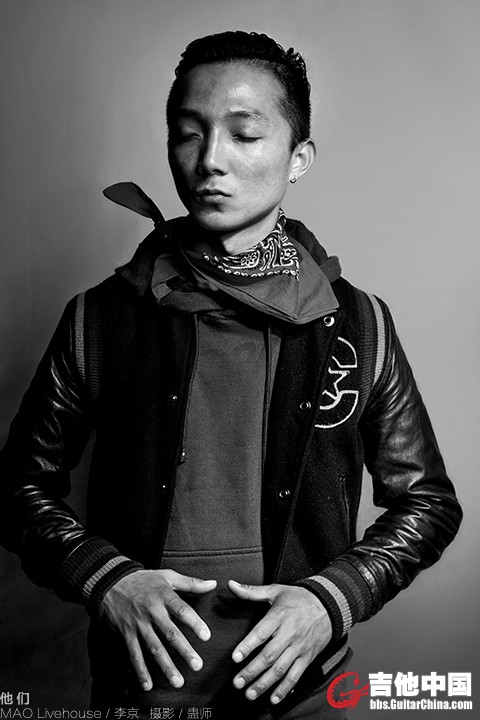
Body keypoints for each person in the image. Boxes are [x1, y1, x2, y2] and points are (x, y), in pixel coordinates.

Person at [0, 30, 462, 720]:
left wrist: (333, 599)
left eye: (244, 134)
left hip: (303, 694)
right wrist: (104, 579)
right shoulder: (101, 319)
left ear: (298, 157)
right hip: (139, 695)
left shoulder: (357, 324)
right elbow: (16, 488)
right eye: (189, 135)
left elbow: (427, 504)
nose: (210, 160)